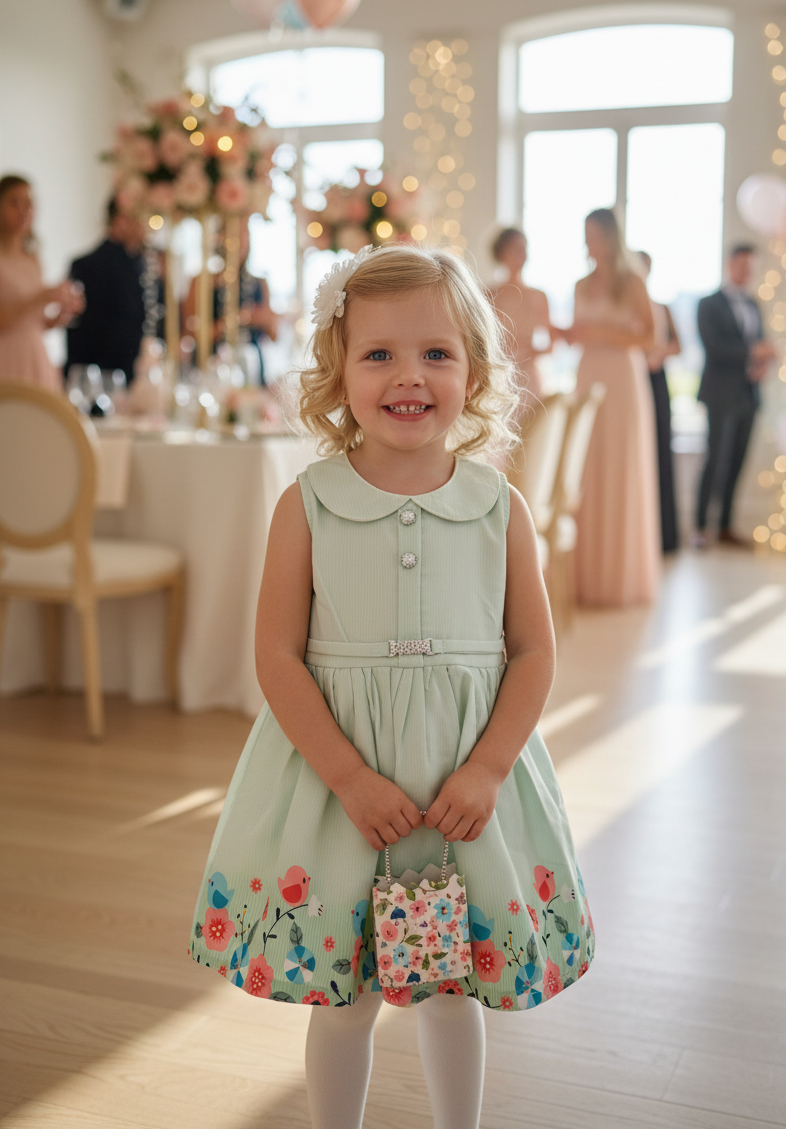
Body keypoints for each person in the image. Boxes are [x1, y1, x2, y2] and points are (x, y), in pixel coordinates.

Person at [188, 245, 594, 1129]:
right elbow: (276, 657)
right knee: (346, 998)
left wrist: (488, 769)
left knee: (453, 994)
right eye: (379, 355)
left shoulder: (500, 509)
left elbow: (533, 653)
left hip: (462, 794)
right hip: (343, 794)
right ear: (337, 377)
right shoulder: (308, 503)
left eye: (436, 354)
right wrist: (348, 777)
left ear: (475, 373)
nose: (409, 376)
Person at [559, 208, 660, 606]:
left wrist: (604, 333)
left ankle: (618, 578)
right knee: (586, 470)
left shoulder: (631, 282)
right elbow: (578, 331)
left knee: (618, 469)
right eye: (585, 235)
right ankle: (582, 579)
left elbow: (652, 337)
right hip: (587, 374)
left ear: (610, 238)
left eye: (594, 235)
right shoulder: (580, 285)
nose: (588, 243)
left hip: (621, 381)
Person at [693, 244, 776, 547]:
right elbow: (714, 347)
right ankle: (700, 527)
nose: (746, 272)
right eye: (742, 266)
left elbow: (758, 342)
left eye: (751, 267)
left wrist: (762, 363)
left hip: (747, 394)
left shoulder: (754, 304)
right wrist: (753, 352)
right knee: (715, 460)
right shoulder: (708, 304)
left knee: (738, 461)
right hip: (719, 393)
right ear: (730, 265)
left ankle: (726, 526)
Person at [0, 174, 84, 390]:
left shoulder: (33, 259)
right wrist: (40, 296)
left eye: (28, 203)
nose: (22, 210)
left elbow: (35, 323)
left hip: (35, 355)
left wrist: (59, 318)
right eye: (14, 202)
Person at [66, 197, 161, 384]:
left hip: (132, 372)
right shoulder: (89, 266)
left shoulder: (142, 265)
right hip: (105, 378)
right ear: (121, 220)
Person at [183, 217, 280, 384]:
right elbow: (190, 331)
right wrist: (235, 320)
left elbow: (273, 334)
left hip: (251, 368)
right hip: (211, 367)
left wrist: (260, 318)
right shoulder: (201, 281)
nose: (240, 240)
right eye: (233, 234)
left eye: (244, 234)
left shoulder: (259, 282)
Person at [638, 250, 681, 554]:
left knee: (661, 454)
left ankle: (666, 538)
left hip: (657, 382)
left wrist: (657, 355)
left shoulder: (662, 308)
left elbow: (678, 345)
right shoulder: (628, 307)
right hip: (634, 381)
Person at [489, 227, 551, 412]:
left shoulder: (538, 296)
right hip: (497, 375)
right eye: (514, 248)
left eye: (523, 248)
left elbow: (552, 343)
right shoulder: (487, 294)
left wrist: (527, 352)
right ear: (501, 252)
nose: (521, 254)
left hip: (528, 377)